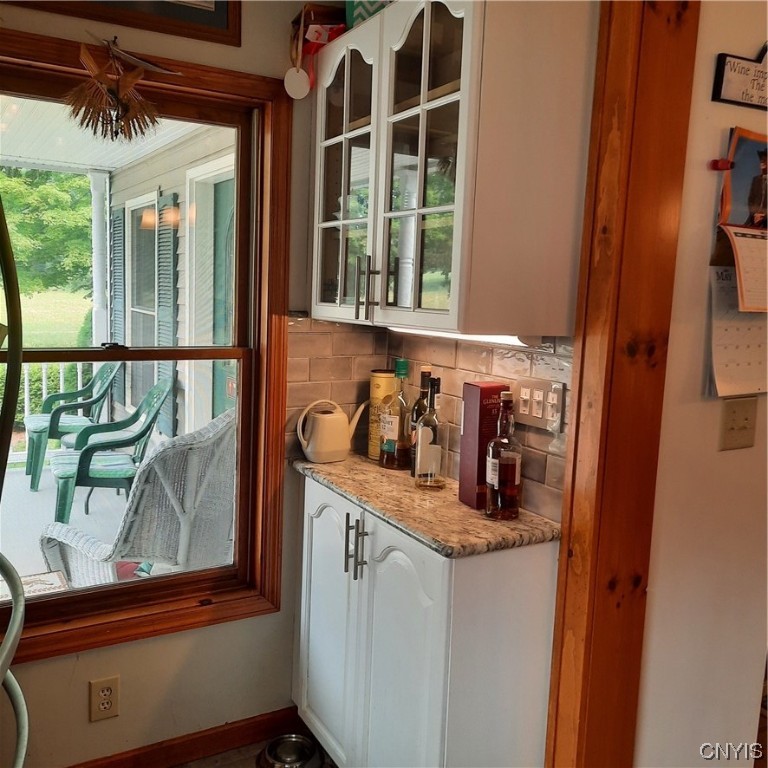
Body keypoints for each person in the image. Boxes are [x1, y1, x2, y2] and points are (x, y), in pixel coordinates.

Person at [743, 149, 767, 228]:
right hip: (754, 217)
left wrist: (764, 216)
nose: (762, 163)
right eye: (761, 161)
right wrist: (754, 213)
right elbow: (751, 199)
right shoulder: (756, 179)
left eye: (765, 161)